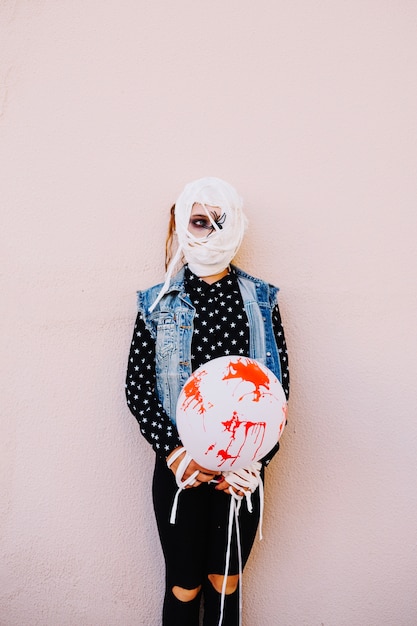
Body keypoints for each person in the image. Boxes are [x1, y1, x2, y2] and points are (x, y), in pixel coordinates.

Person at [125, 177, 289, 626]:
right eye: (199, 221)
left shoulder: (261, 300)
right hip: (182, 474)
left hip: (241, 476)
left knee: (225, 584)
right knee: (184, 586)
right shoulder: (157, 304)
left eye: (221, 220)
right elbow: (138, 388)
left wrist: (255, 461)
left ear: (236, 226)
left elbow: (278, 392)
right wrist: (177, 455)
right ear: (180, 226)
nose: (210, 232)